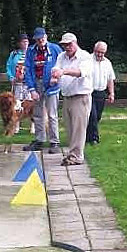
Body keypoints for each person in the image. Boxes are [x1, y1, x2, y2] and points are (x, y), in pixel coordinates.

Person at [51, 33, 93, 166]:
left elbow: (81, 72)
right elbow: (56, 68)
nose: (67, 47)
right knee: (69, 128)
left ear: (75, 43)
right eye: (64, 45)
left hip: (81, 96)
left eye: (69, 44)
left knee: (78, 129)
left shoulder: (85, 56)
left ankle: (77, 157)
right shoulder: (61, 56)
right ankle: (72, 154)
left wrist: (63, 72)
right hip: (67, 96)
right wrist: (55, 76)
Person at [23, 27, 63, 153]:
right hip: (37, 84)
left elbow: (62, 64)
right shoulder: (31, 51)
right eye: (38, 39)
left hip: (52, 85)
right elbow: (28, 70)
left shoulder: (55, 49)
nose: (40, 41)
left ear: (46, 36)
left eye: (42, 38)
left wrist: (57, 77)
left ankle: (54, 142)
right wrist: (32, 89)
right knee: (37, 114)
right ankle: (39, 140)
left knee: (52, 114)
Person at [86, 41, 116, 145]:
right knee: (92, 116)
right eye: (98, 52)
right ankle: (94, 139)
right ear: (94, 50)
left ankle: (87, 136)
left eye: (102, 52)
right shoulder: (88, 60)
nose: (99, 54)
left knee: (97, 116)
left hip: (101, 93)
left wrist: (111, 93)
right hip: (89, 92)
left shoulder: (107, 63)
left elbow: (110, 79)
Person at [5, 33, 34, 135]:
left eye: (26, 41)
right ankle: (16, 126)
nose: (25, 43)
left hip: (29, 84)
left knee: (30, 104)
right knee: (17, 104)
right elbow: (9, 66)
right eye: (23, 42)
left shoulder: (32, 53)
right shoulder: (14, 54)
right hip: (17, 83)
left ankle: (33, 126)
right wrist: (11, 77)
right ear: (19, 43)